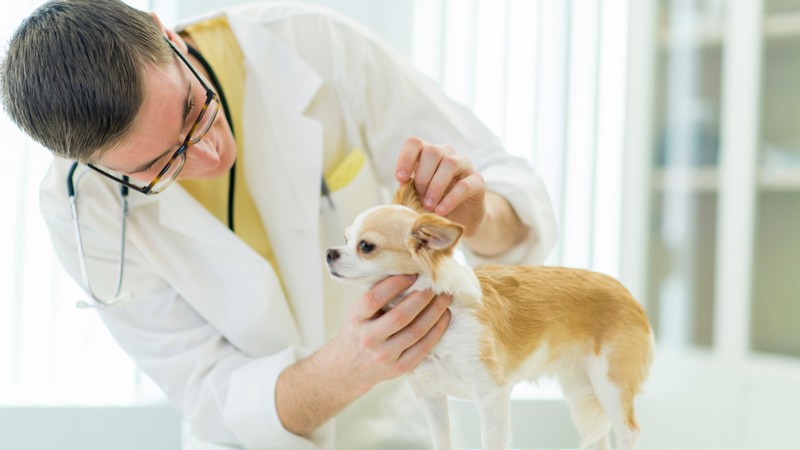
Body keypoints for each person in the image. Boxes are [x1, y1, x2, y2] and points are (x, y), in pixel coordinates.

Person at [0, 0, 557, 448]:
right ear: (91, 165)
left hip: (399, 428)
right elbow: (211, 393)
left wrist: (481, 218)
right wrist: (347, 368)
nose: (213, 155)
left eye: (196, 110)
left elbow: (512, 193)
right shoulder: (83, 214)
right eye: (160, 166)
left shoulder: (312, 46)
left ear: (164, 33)